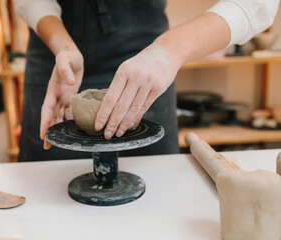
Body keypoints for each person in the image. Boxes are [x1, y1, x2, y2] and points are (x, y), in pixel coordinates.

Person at [14, 0, 279, 161]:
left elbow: (258, 4)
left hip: (148, 61)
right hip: (59, 60)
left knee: (153, 196)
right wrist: (62, 46)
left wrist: (169, 50)